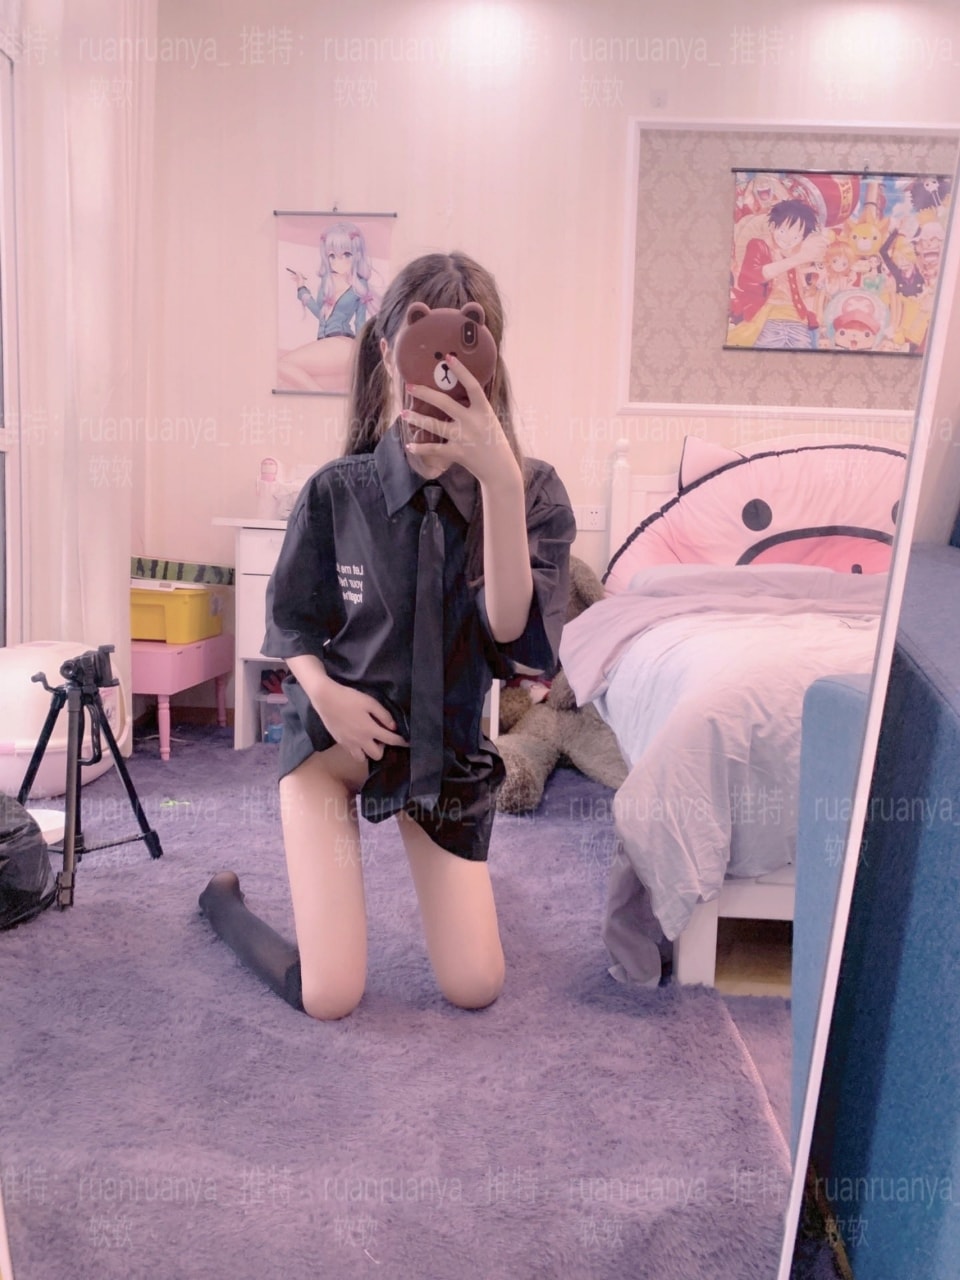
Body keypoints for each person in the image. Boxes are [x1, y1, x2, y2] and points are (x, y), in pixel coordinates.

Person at [201, 252, 576, 1020]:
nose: (440, 372)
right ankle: (221, 903)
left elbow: (514, 637)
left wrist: (499, 482)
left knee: (474, 985)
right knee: (330, 994)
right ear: (385, 351)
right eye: (419, 345)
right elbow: (292, 619)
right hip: (336, 751)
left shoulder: (531, 492)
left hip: (441, 759)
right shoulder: (339, 490)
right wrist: (325, 696)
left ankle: (460, 887)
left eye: (463, 350)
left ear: (490, 358)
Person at [277, 220, 380, 393]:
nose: (338, 261)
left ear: (357, 254)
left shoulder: (360, 286)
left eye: (346, 254)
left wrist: (363, 355)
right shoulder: (327, 282)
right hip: (327, 344)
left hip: (344, 343)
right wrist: (302, 289)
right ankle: (321, 401)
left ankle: (318, 399)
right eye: (332, 255)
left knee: (283, 365)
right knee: (298, 381)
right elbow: (321, 314)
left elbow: (360, 323)